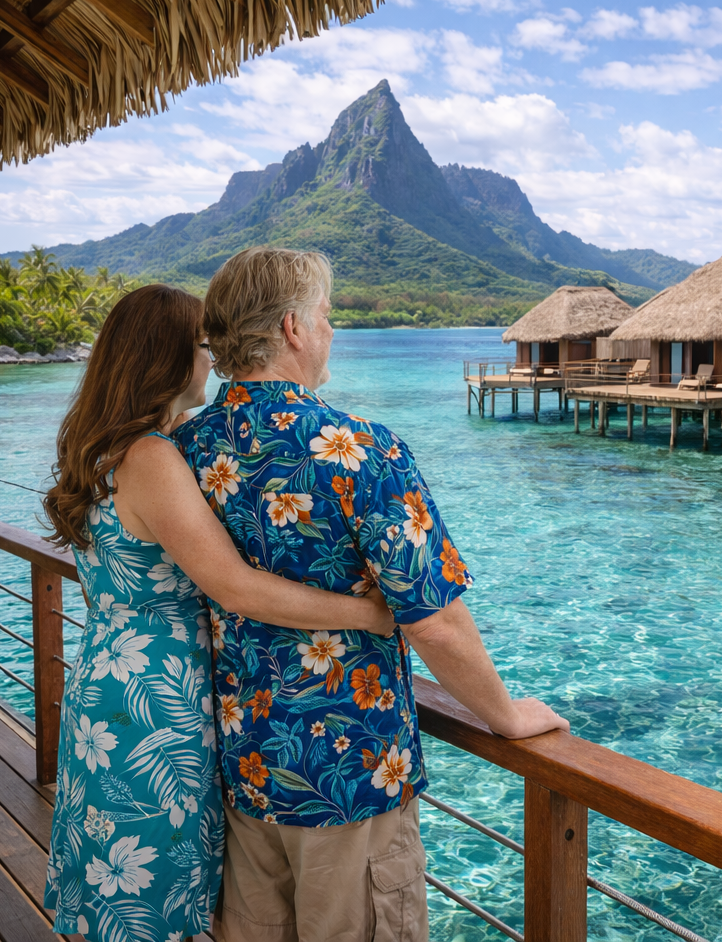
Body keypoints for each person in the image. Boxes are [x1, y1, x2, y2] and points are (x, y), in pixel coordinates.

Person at [174, 247, 569, 942]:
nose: (331, 333)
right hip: (350, 777)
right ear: (293, 328)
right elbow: (436, 620)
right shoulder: (359, 448)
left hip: (246, 765)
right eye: (326, 317)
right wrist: (504, 715)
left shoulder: (184, 448)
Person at [42, 284, 396, 942]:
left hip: (108, 683)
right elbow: (235, 588)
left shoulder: (98, 451)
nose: (213, 362)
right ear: (167, 359)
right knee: (151, 892)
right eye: (202, 348)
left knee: (117, 885)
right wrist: (368, 613)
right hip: (156, 707)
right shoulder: (150, 459)